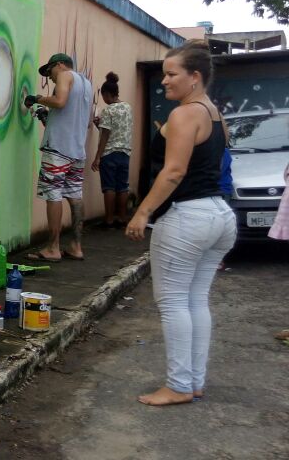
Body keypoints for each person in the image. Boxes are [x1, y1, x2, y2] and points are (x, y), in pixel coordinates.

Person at [125, 39, 237, 406]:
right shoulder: (214, 113)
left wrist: (142, 211)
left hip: (188, 217)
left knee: (173, 302)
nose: (164, 81)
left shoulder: (185, 114)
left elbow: (174, 171)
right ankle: (192, 382)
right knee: (195, 300)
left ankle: (178, 385)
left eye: (172, 74)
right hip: (219, 216)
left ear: (195, 77)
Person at [24, 53, 93, 261]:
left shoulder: (65, 75)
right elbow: (84, 120)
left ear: (60, 65)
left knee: (52, 195)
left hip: (57, 151)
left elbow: (60, 101)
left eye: (50, 71)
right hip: (77, 151)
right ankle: (76, 247)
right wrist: (48, 116)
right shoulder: (86, 84)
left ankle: (53, 248)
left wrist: (37, 99)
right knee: (75, 196)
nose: (51, 78)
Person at [91, 72, 133, 227]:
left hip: (109, 154)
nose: (104, 99)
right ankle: (122, 219)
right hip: (125, 153)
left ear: (107, 94)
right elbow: (118, 129)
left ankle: (108, 220)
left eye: (103, 96)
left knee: (109, 187)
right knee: (122, 187)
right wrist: (100, 125)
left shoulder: (108, 110)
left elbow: (105, 136)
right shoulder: (127, 107)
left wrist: (97, 157)